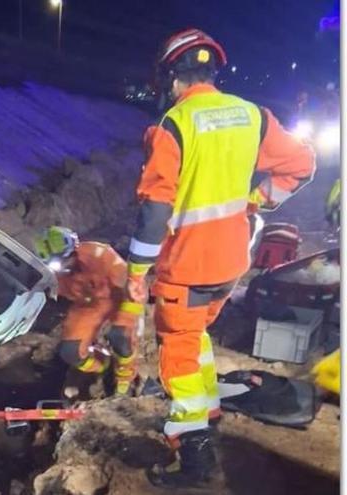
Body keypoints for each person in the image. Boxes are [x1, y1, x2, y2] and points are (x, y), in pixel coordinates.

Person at [125, 28, 316, 488]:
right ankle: (206, 409)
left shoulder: (176, 124)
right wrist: (258, 200)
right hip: (232, 263)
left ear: (174, 78)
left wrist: (136, 272)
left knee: (179, 356)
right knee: (198, 335)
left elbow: (155, 210)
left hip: (187, 269)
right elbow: (302, 165)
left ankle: (194, 455)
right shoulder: (253, 116)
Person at [34, 226, 142, 395]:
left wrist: (128, 316)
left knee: (120, 337)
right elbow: (56, 293)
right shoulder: (57, 276)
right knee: (70, 352)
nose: (64, 267)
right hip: (88, 305)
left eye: (65, 259)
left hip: (120, 296)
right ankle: (105, 365)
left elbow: (131, 285)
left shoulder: (100, 255)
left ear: (73, 250)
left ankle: (125, 375)